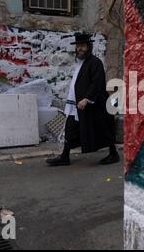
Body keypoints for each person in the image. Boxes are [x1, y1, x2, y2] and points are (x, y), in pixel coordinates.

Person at [46, 33, 119, 166]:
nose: (80, 48)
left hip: (94, 104)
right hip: (76, 104)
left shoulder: (95, 62)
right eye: (78, 46)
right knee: (70, 128)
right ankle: (64, 156)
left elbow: (97, 83)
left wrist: (87, 99)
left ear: (89, 47)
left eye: (83, 46)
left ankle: (113, 154)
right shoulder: (80, 62)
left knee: (103, 129)